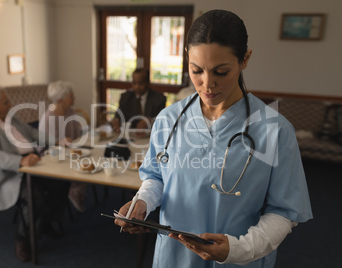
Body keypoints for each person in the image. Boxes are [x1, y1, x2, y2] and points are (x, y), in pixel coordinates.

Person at [115, 9, 312, 267]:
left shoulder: (274, 129)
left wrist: (239, 250)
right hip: (175, 256)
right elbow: (156, 176)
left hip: (240, 258)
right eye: (197, 71)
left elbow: (284, 212)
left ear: (245, 59)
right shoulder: (168, 119)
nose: (207, 85)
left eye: (220, 72)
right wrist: (143, 201)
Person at [0, 86, 70, 262]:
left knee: (62, 180)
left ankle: (43, 223)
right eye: (5, 102)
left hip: (31, 163)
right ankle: (22, 239)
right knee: (35, 197)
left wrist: (56, 142)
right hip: (6, 174)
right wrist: (19, 162)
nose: (10, 104)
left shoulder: (9, 117)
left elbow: (31, 132)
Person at [39, 80, 88, 212]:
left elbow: (77, 134)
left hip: (69, 153)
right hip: (52, 158)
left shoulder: (70, 112)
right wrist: (61, 143)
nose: (74, 98)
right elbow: (45, 146)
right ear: (60, 99)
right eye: (71, 96)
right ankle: (74, 190)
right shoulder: (48, 118)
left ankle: (76, 189)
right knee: (84, 167)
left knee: (91, 163)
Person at [111, 68, 166, 133]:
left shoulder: (159, 99)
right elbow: (119, 114)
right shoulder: (125, 97)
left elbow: (162, 120)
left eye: (140, 83)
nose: (137, 87)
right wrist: (116, 120)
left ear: (148, 82)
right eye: (134, 83)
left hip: (150, 136)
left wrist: (150, 121)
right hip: (130, 136)